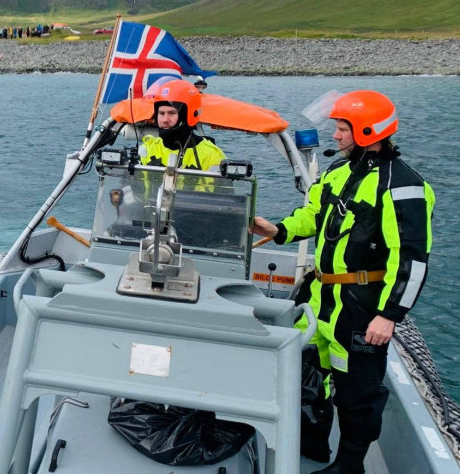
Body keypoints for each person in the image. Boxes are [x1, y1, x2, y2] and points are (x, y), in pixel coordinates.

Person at [251, 90, 435, 474]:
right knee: (307, 373)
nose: (335, 135)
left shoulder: (402, 186)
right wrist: (279, 229)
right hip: (321, 297)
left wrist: (389, 315)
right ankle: (314, 443)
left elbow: (411, 260)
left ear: (368, 131)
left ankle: (350, 466)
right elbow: (313, 215)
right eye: (335, 127)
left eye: (342, 128)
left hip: (361, 307)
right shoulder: (338, 172)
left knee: (357, 394)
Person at [139, 78, 225, 171]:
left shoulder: (211, 155)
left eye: (172, 113)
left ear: (186, 116)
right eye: (161, 113)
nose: (165, 120)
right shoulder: (147, 149)